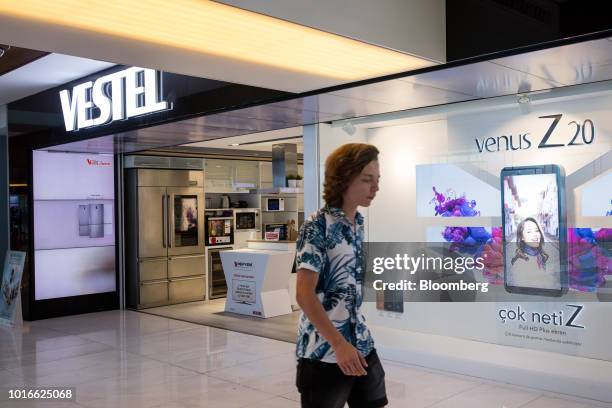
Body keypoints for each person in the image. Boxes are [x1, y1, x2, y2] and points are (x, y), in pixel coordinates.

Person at [295, 143, 387, 408]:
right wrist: (339, 345)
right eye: (367, 180)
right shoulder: (317, 226)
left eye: (377, 180)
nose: (375, 187)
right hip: (324, 352)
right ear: (344, 178)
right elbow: (303, 294)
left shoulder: (357, 223)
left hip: (361, 342)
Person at [508, 217, 559, 289]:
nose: (535, 234)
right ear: (522, 237)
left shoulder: (540, 255)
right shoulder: (519, 264)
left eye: (536, 230)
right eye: (529, 231)